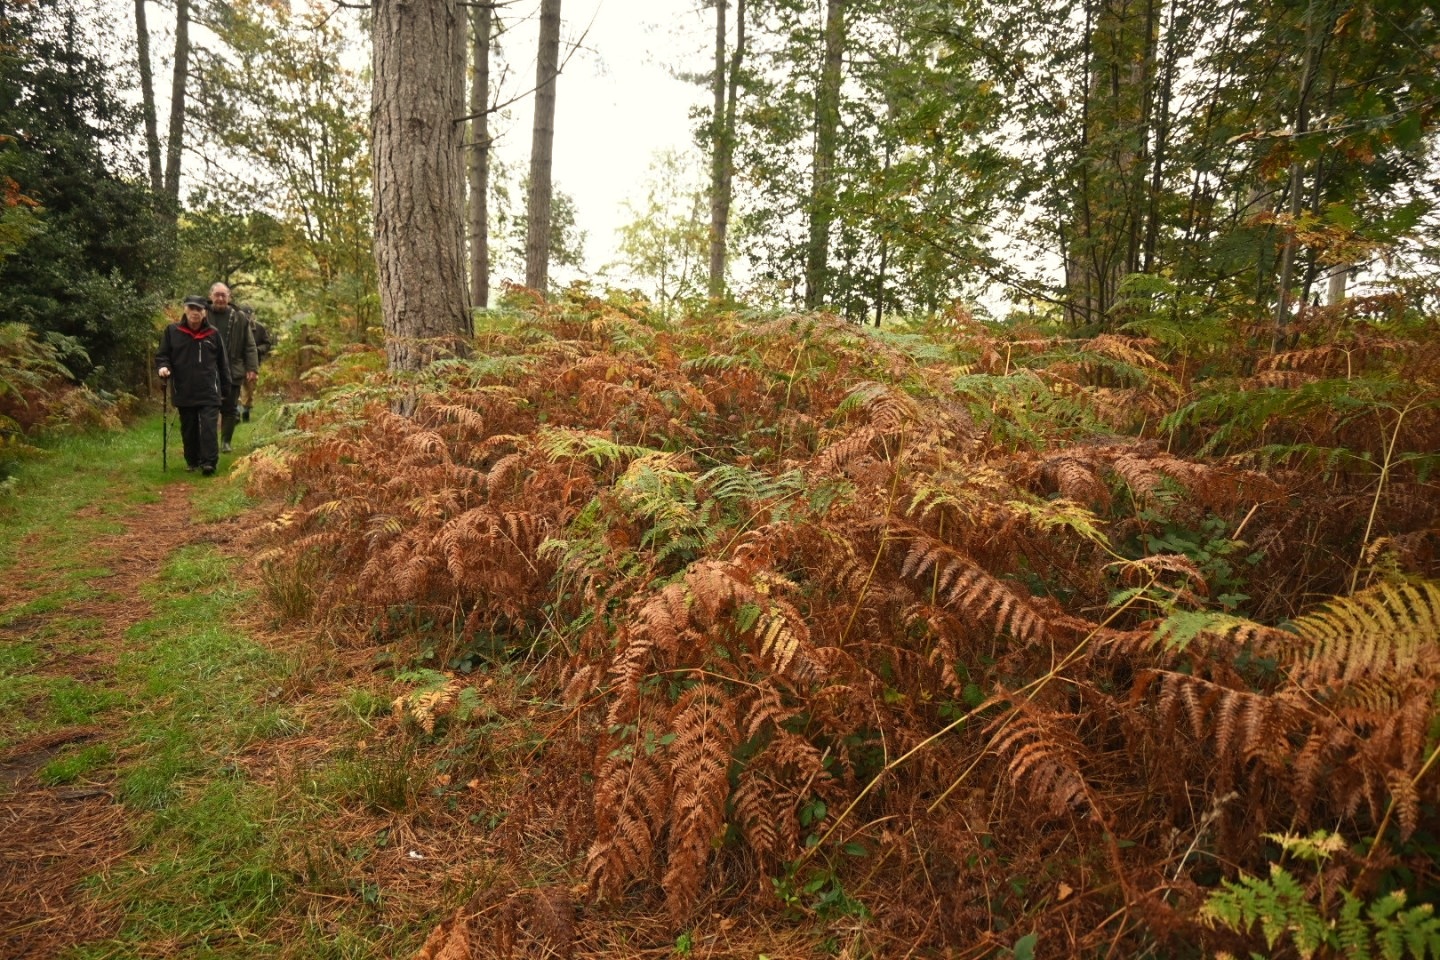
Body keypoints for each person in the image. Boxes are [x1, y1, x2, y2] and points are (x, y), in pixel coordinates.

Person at [156, 295, 230, 475]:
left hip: (209, 389)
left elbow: (222, 363)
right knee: (188, 427)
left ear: (205, 313)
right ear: (185, 309)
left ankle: (209, 462)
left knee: (208, 427)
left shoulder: (213, 334)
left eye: (199, 309)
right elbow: (162, 355)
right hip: (183, 388)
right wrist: (163, 367)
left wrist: (225, 389)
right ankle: (192, 460)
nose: (195, 312)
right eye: (191, 308)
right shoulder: (172, 331)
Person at [206, 282, 259, 453]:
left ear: (229, 297)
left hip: (233, 370)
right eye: (217, 295)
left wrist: (252, 368)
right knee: (208, 408)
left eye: (224, 295)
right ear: (210, 296)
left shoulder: (239, 317)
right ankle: (209, 443)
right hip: (207, 371)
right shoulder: (202, 314)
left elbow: (249, 345)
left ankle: (226, 442)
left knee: (229, 409)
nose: (220, 298)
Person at [238, 305, 272, 423]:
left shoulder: (260, 328)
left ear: (252, 315)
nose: (247, 318)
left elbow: (267, 344)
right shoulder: (234, 327)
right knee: (235, 389)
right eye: (244, 315)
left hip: (253, 363)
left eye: (249, 315)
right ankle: (236, 414)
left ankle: (245, 414)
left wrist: (258, 350)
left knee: (249, 390)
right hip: (237, 363)